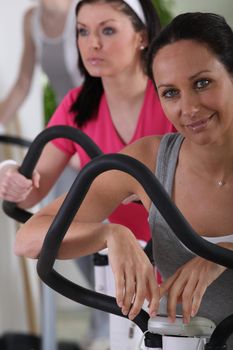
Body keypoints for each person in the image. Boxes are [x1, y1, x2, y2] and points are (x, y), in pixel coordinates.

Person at [14, 12, 233, 347]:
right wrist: (108, 233)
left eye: (202, 83)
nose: (188, 108)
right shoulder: (149, 159)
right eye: (170, 93)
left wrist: (222, 254)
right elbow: (28, 240)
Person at [0, 0, 175, 348]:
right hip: (118, 273)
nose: (91, 43)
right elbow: (31, 189)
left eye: (107, 30)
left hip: (178, 270)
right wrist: (8, 173)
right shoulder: (77, 107)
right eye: (82, 31)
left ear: (142, 37)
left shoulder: (172, 98)